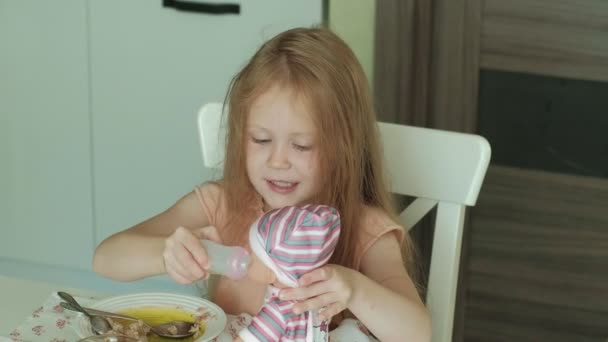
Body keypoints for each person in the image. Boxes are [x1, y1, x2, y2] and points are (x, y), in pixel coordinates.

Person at [93, 26, 431, 342]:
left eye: (301, 145)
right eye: (260, 139)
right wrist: (166, 255)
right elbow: (106, 258)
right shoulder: (223, 205)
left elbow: (419, 333)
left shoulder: (363, 229)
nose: (277, 161)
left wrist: (355, 290)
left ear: (344, 145)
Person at [237, 204, 340, 342]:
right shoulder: (318, 300)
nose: (246, 255)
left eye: (253, 255)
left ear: (271, 271)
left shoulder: (277, 311)